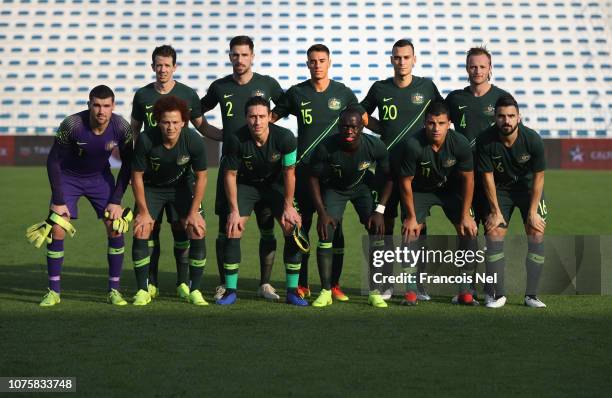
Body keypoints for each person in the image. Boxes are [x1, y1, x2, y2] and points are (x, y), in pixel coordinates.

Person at [131, 44, 220, 301]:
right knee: (147, 229)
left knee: (189, 228)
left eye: (167, 65)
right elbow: (135, 130)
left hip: (182, 181)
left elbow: (203, 129)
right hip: (151, 175)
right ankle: (148, 284)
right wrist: (135, 158)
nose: (162, 69)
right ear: (152, 67)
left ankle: (187, 286)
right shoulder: (142, 97)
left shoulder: (188, 97)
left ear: (174, 67)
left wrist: (231, 136)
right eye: (158, 65)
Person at [271, 43, 360, 301]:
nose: (317, 65)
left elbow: (360, 121)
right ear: (307, 63)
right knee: (301, 227)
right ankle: (301, 283)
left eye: (322, 60)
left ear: (329, 62)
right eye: (313, 61)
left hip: (333, 175)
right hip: (302, 172)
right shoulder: (297, 93)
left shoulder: (343, 93)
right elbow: (271, 119)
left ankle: (333, 283)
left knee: (334, 229)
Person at [201, 36, 284, 301]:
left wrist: (265, 128)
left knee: (267, 226)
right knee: (227, 225)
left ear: (252, 56)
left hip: (266, 171)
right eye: (235, 55)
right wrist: (218, 135)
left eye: (244, 55)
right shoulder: (219, 86)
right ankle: (225, 284)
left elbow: (284, 107)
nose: (240, 60)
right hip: (233, 169)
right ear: (230, 57)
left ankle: (265, 284)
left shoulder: (267, 84)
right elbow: (196, 114)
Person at [360, 39, 444, 300]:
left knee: (417, 225)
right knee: (382, 223)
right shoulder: (380, 88)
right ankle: (383, 284)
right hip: (386, 169)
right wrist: (380, 128)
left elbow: (442, 113)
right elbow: (360, 114)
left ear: (414, 59)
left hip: (417, 171)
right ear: (391, 59)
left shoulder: (427, 87)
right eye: (397, 57)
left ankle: (417, 284)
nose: (401, 62)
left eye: (406, 57)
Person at [37, 85, 133, 307]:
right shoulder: (72, 124)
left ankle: (114, 290)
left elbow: (128, 163)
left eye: (106, 106)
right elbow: (53, 161)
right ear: (89, 104)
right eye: (97, 105)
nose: (101, 111)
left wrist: (117, 200)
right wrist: (59, 201)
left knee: (115, 225)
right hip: (68, 178)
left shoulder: (121, 126)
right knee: (57, 228)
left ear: (113, 106)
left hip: (100, 178)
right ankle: (53, 291)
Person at [218, 96, 307, 306]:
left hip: (275, 185)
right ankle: (230, 290)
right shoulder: (235, 139)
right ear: (246, 118)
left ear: (269, 117)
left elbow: (289, 173)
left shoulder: (286, 138)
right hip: (247, 185)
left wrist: (288, 207)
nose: (257, 122)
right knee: (234, 227)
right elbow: (229, 175)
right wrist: (233, 210)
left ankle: (292, 291)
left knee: (291, 226)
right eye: (252, 117)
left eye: (261, 116)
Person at [308, 107, 393, 308]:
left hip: (363, 188)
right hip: (335, 189)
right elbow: (313, 179)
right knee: (326, 231)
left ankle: (374, 291)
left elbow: (390, 177)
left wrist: (379, 210)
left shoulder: (375, 145)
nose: (349, 131)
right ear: (338, 126)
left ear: (362, 127)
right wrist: (321, 213)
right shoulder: (325, 147)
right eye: (345, 126)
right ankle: (326, 291)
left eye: (354, 127)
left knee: (376, 230)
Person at [445, 47, 512, 301]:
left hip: (493, 179)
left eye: (482, 66)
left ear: (490, 68)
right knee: (466, 233)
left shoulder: (502, 99)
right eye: (473, 66)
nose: (477, 71)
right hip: (463, 179)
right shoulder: (455, 98)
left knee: (493, 233)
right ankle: (466, 289)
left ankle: (492, 287)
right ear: (466, 68)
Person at [130, 96, 209, 306]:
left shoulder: (193, 140)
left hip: (182, 188)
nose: (170, 127)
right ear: (158, 121)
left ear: (184, 121)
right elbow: (136, 175)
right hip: (152, 188)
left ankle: (192, 288)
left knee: (197, 228)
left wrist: (193, 212)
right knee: (141, 228)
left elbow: (202, 176)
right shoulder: (147, 139)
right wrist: (144, 212)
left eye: (175, 122)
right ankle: (143, 289)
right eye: (166, 122)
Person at [397, 102, 477, 306]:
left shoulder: (459, 143)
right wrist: (411, 216)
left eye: (441, 123)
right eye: (431, 123)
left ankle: (465, 291)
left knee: (468, 230)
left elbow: (468, 179)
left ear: (449, 124)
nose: (436, 128)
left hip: (450, 191)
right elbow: (405, 181)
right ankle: (411, 291)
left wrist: (466, 214)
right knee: (411, 232)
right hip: (420, 191)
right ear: (425, 123)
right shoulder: (413, 144)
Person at [477, 94, 548, 309]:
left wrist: (533, 212)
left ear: (519, 117)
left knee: (536, 232)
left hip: (528, 190)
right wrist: (495, 211)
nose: (506, 121)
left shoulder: (532, 139)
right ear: (495, 117)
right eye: (501, 116)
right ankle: (497, 294)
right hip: (501, 191)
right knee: (494, 232)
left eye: (511, 116)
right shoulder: (485, 140)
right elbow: (487, 177)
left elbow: (539, 177)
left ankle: (531, 296)